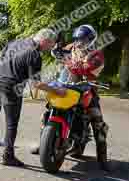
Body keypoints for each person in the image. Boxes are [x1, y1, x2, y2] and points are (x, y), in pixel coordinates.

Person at [31, 24, 110, 171]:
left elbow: (87, 68)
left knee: (98, 121)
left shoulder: (96, 54)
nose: (80, 42)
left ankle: (103, 158)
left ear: (91, 39)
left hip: (87, 88)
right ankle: (44, 144)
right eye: (78, 39)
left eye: (84, 40)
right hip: (66, 85)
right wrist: (56, 47)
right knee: (47, 112)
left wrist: (70, 63)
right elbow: (57, 53)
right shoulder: (72, 47)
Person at [0, 29, 58, 166]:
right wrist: (55, 90)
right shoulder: (35, 54)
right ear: (45, 41)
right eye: (51, 44)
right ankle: (7, 155)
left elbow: (0, 58)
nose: (51, 48)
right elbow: (36, 83)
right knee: (11, 123)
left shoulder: (17, 42)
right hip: (12, 88)